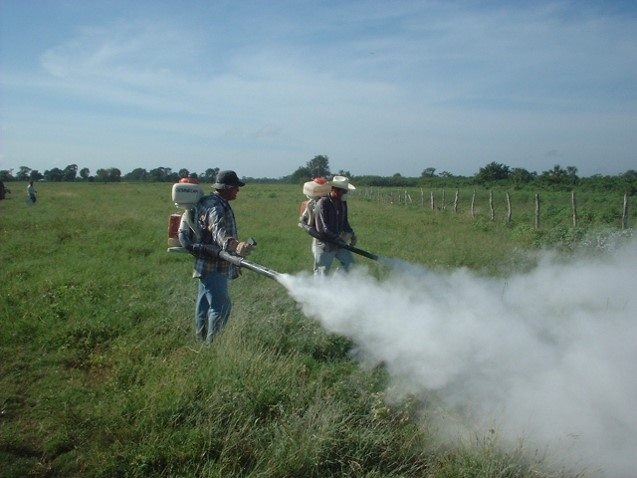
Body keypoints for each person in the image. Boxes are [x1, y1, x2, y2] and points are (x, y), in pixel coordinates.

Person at [179, 170, 254, 342]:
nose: (238, 190)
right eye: (236, 187)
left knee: (204, 303)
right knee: (220, 306)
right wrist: (236, 245)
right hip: (214, 265)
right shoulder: (216, 206)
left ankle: (201, 339)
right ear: (226, 188)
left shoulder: (208, 201)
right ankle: (213, 345)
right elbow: (218, 232)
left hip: (204, 263)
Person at [312, 175, 357, 275]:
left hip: (338, 243)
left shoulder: (343, 203)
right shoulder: (323, 203)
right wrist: (337, 239)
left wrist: (352, 234)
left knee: (350, 266)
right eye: (344, 191)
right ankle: (318, 290)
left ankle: (336, 284)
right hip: (325, 244)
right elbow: (323, 229)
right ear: (335, 189)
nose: (345, 194)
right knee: (321, 274)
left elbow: (344, 222)